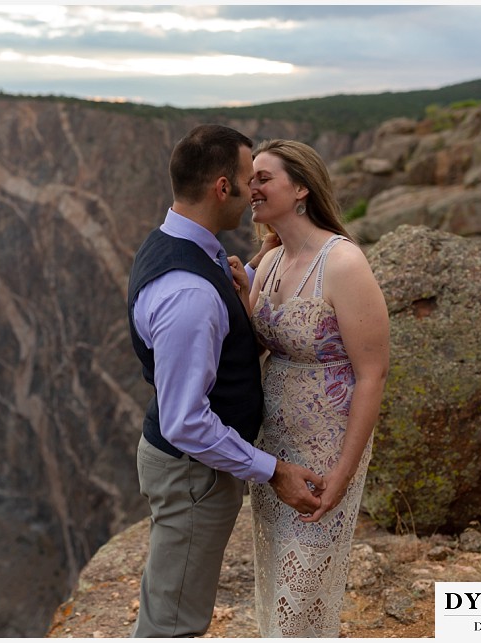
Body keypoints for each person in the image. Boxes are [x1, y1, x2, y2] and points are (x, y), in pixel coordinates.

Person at [126, 124, 327, 638]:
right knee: (174, 623)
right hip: (194, 475)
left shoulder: (181, 243)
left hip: (191, 471)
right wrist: (272, 470)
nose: (253, 190)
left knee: (170, 604)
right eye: (246, 179)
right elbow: (186, 422)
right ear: (222, 188)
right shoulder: (188, 293)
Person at [229, 139, 390, 637]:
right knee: (279, 580)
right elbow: (260, 344)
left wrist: (343, 472)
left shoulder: (342, 264)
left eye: (263, 178)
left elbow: (372, 373)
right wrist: (240, 296)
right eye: (248, 178)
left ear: (300, 188)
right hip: (275, 446)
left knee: (302, 593)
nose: (250, 187)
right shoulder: (272, 262)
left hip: (325, 446)